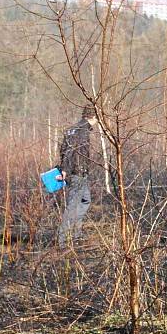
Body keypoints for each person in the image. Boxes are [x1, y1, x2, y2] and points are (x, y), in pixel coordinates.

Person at [57, 105, 97, 247]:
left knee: (85, 200)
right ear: (93, 117)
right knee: (72, 206)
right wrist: (65, 170)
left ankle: (76, 234)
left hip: (81, 173)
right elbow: (69, 151)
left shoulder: (72, 129)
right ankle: (62, 241)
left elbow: (63, 149)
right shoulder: (81, 131)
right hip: (77, 173)